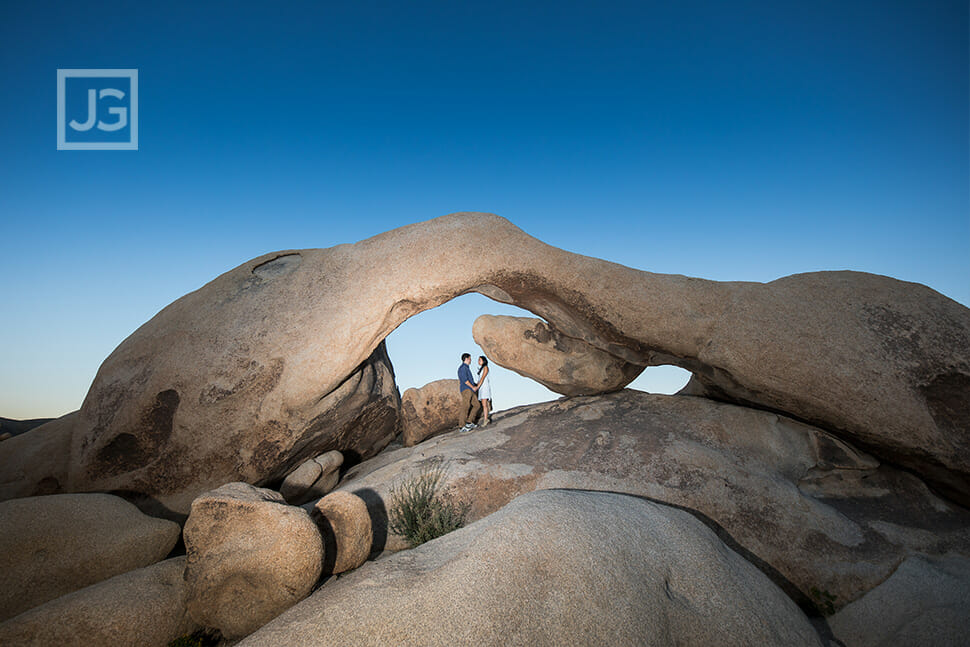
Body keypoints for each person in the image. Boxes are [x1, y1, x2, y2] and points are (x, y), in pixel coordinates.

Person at [457, 353, 480, 432]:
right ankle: (461, 426)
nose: (471, 360)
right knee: (465, 407)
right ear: (466, 359)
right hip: (466, 389)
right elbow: (465, 380)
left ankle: (469, 422)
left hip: (470, 389)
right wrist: (473, 386)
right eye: (470, 358)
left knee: (477, 405)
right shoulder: (462, 368)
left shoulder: (467, 368)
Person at [476, 355, 492, 426]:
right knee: (483, 404)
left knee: (484, 404)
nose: (478, 361)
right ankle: (486, 419)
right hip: (481, 388)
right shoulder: (481, 368)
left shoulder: (485, 367)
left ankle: (486, 419)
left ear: (484, 361)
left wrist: (477, 386)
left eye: (480, 360)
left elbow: (482, 378)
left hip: (484, 388)